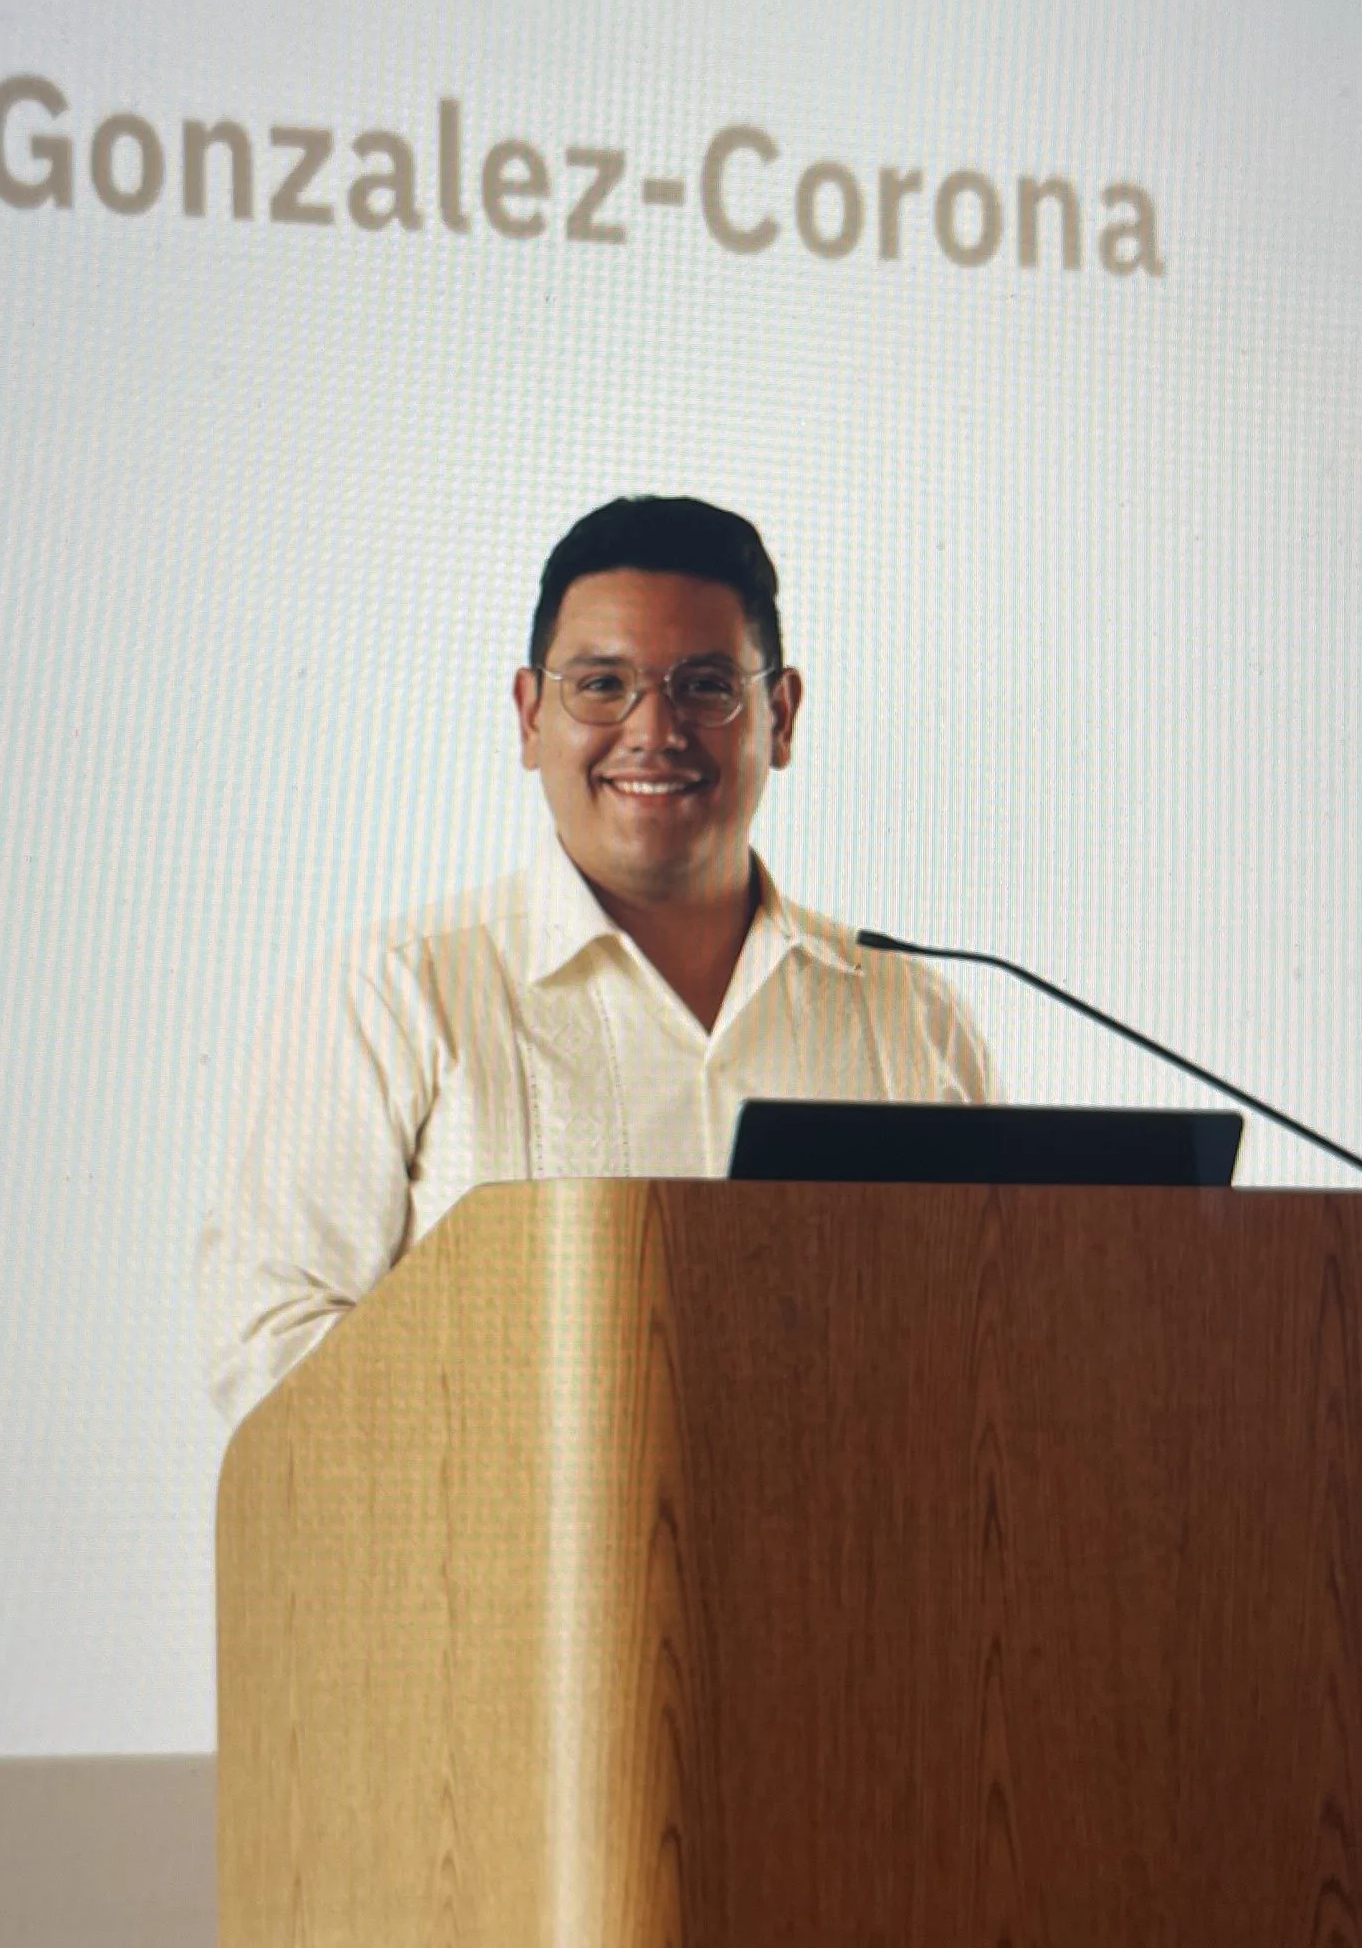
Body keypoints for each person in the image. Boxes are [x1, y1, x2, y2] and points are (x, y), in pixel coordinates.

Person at [198, 495, 995, 1426]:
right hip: (501, 1566)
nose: (654, 730)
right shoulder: (393, 998)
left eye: (705, 685)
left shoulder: (907, 1016)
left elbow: (989, 1332)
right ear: (532, 715)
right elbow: (271, 1348)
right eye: (602, 684)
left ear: (780, 717)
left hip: (846, 1564)